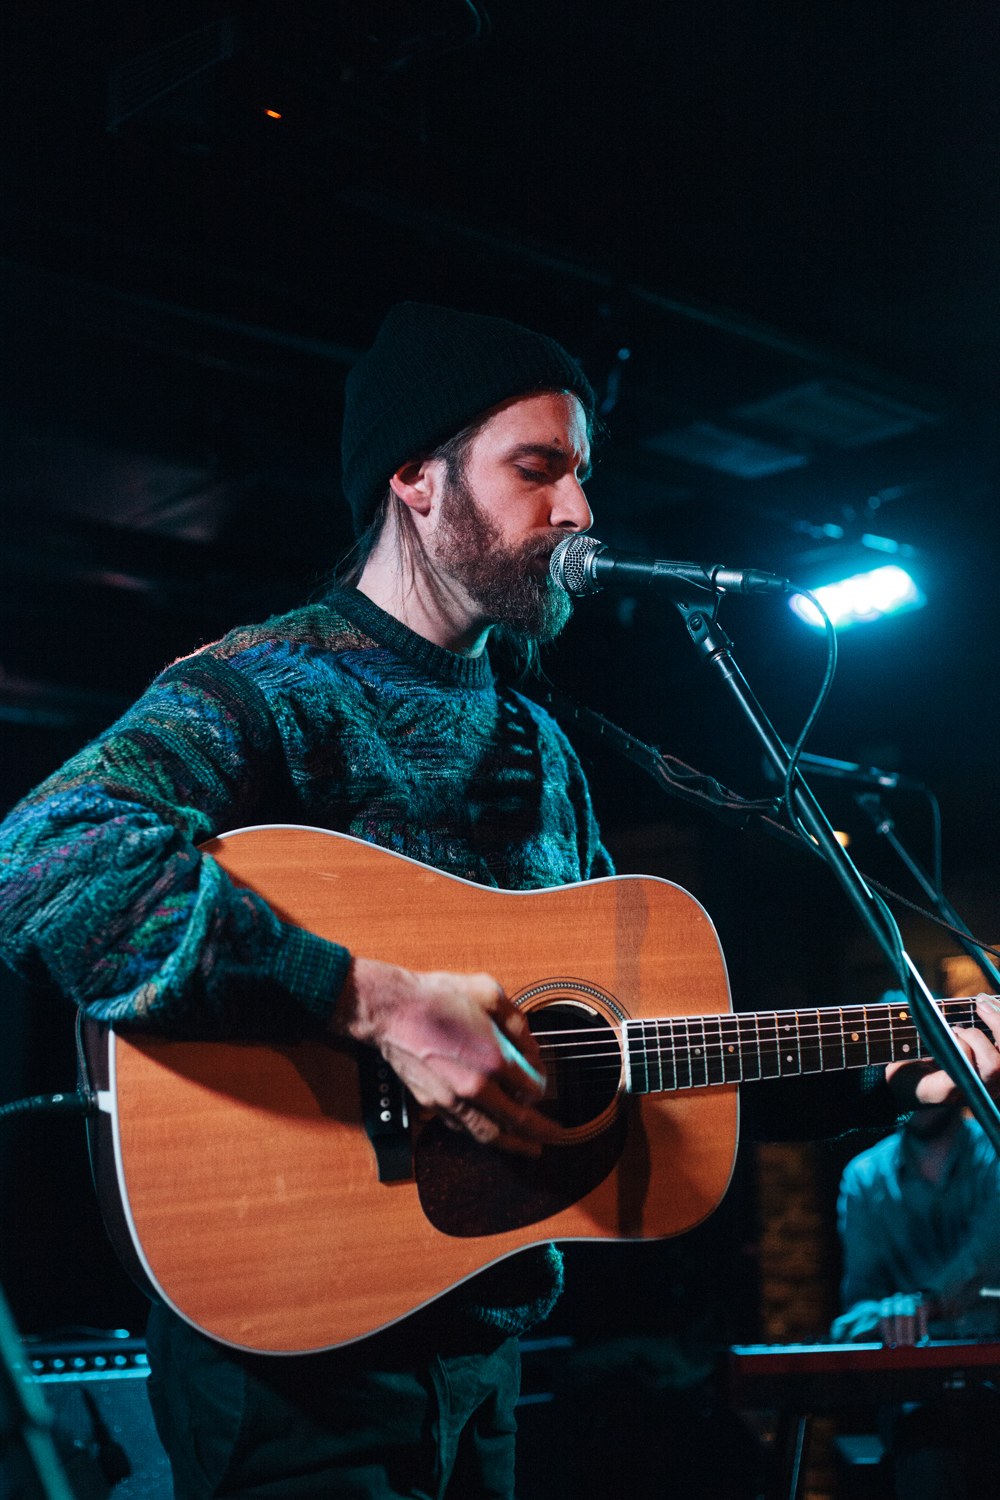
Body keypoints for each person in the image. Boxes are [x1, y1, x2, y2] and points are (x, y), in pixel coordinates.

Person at [1, 302, 998, 1500]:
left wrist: (891, 1063)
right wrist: (369, 999)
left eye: (581, 475)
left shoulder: (542, 745)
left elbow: (625, 1068)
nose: (579, 510)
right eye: (538, 470)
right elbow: (45, 859)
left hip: (485, 1343)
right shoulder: (269, 686)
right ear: (415, 478)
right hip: (290, 1349)